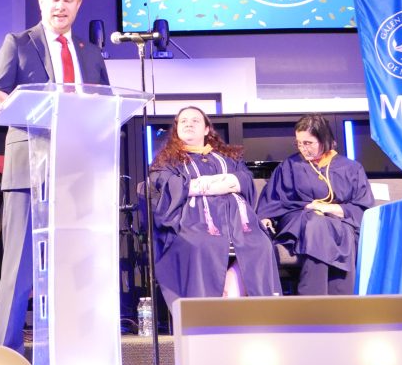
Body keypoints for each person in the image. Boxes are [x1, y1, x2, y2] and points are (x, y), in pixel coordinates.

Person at [0, 0, 110, 354]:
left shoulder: (90, 53)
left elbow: (104, 106)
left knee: (75, 269)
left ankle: (74, 354)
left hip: (78, 172)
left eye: (68, 0)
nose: (61, 6)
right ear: (41, 1)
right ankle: (6, 355)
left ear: (78, 4)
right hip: (28, 171)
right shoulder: (19, 43)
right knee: (19, 271)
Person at [149, 105, 281, 305]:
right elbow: (169, 187)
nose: (189, 124)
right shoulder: (167, 161)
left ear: (206, 130)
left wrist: (203, 185)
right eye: (183, 121)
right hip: (194, 222)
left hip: (236, 220)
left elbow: (243, 180)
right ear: (176, 129)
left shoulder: (227, 157)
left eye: (195, 121)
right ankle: (205, 313)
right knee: (203, 245)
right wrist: (221, 184)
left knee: (260, 245)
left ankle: (248, 308)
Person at [256, 114, 374, 295]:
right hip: (299, 221)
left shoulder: (351, 168)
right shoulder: (290, 165)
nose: (303, 149)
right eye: (298, 143)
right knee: (317, 223)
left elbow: (362, 206)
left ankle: (312, 299)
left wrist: (329, 208)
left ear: (324, 139)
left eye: (308, 143)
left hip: (339, 222)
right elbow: (274, 200)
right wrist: (266, 218)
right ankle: (337, 302)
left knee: (335, 228)